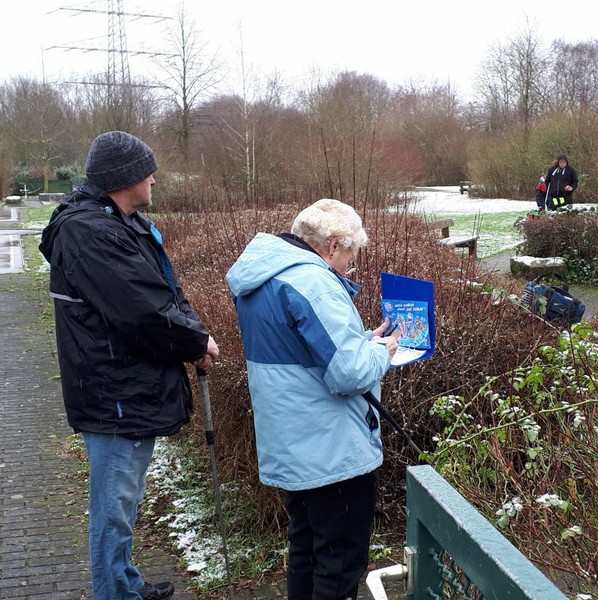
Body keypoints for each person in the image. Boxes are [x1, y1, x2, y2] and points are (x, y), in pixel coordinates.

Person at [39, 131, 219, 600]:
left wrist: (193, 334)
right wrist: (194, 340)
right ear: (124, 179)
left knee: (124, 501)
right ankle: (114, 593)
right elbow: (142, 311)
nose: (154, 179)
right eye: (147, 171)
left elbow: (164, 292)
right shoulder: (91, 232)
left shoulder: (120, 222)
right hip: (114, 394)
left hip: (128, 388)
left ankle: (124, 585)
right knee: (113, 508)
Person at [225, 198, 398, 600]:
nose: (350, 264)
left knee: (305, 550)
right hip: (331, 450)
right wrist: (381, 351)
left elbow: (303, 351)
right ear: (334, 244)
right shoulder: (313, 281)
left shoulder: (266, 275)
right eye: (352, 253)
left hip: (293, 440)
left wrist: (360, 342)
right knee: (338, 565)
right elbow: (350, 373)